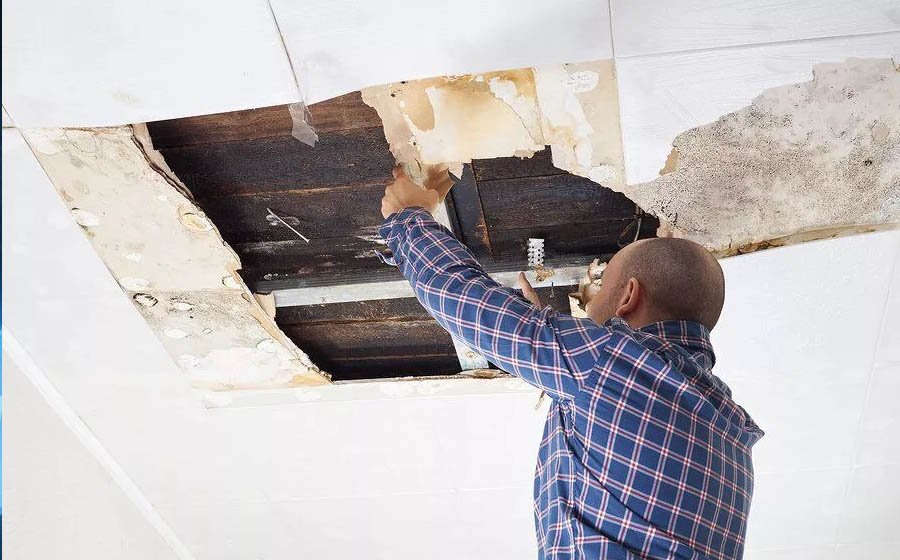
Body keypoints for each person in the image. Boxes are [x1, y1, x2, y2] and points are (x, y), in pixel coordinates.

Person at [380, 166, 763, 560]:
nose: (591, 304)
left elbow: (456, 294)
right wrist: (553, 355)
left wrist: (408, 215)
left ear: (628, 296)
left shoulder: (618, 370)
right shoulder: (730, 435)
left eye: (600, 288)